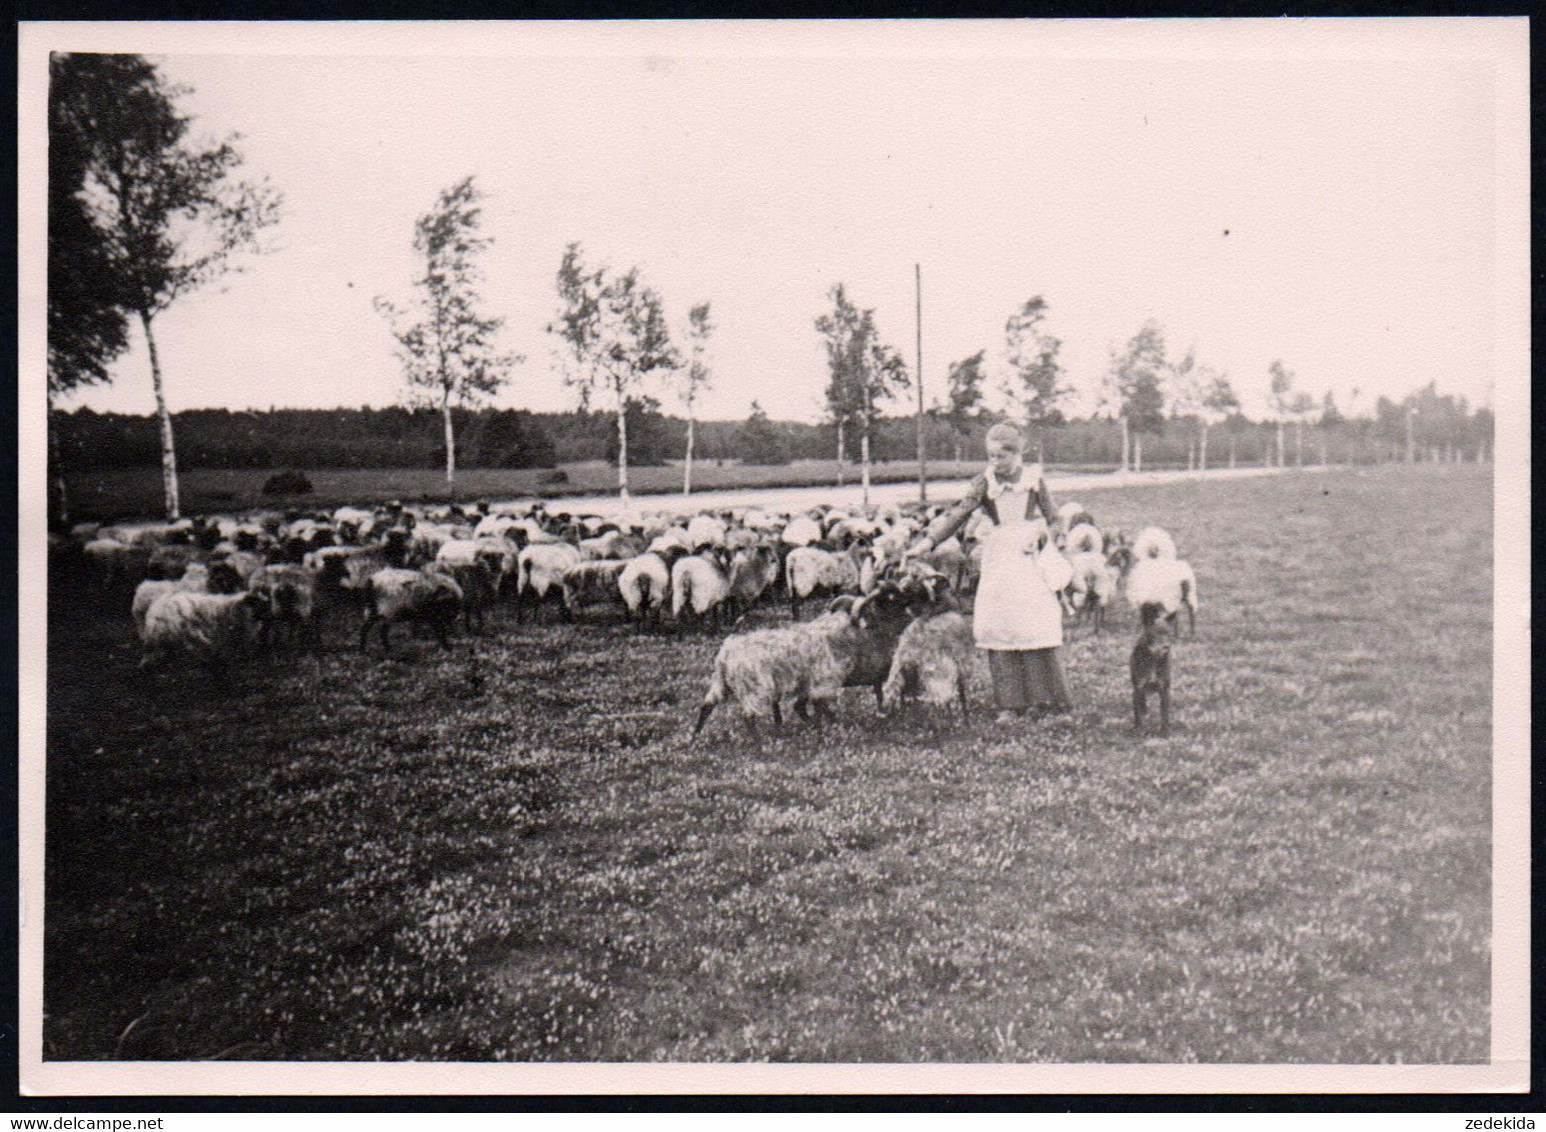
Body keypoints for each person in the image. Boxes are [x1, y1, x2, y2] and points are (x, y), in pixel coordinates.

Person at [906, 421, 1073, 723]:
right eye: (991, 456)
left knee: (1033, 624)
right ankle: (1009, 704)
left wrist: (1054, 535)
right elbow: (959, 514)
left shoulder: (1034, 479)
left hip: (1029, 557)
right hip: (1000, 559)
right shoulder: (985, 482)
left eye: (1001, 456)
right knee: (1002, 624)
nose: (995, 462)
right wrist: (928, 542)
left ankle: (1046, 701)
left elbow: (1053, 516)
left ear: (1017, 453)